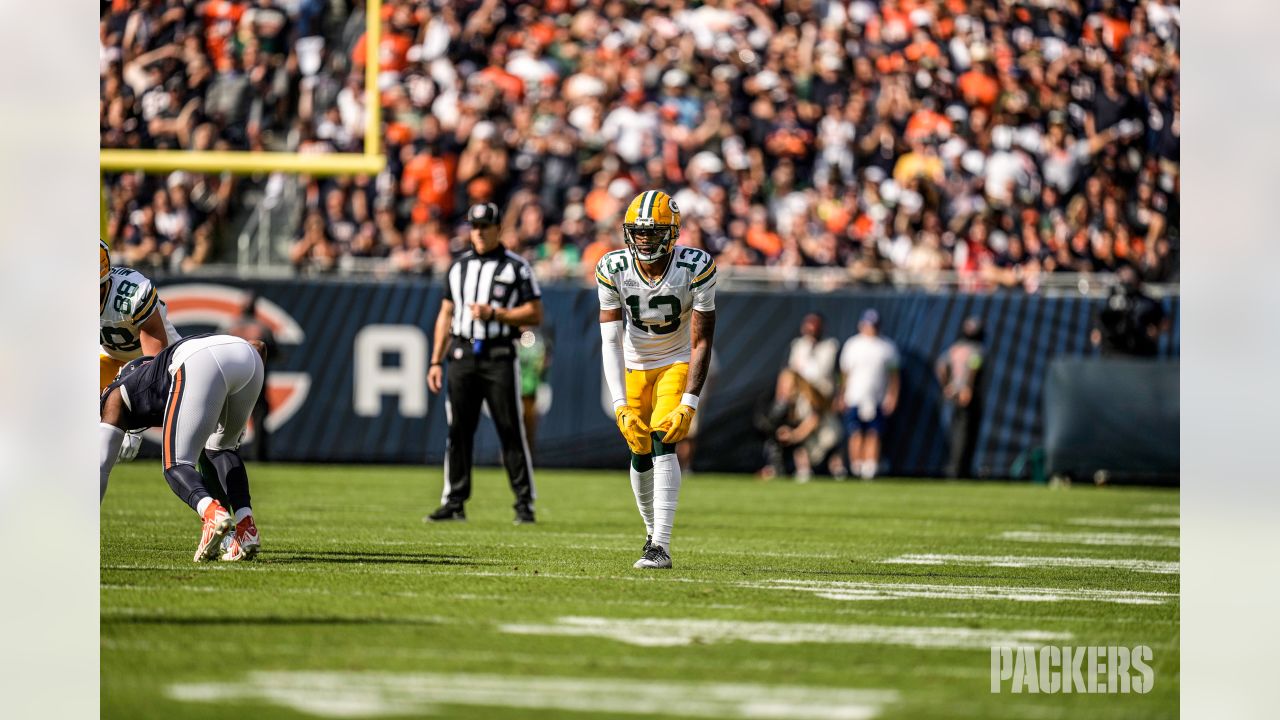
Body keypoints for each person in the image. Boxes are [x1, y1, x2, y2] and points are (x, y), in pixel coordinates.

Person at [597, 189, 717, 570]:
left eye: (653, 232)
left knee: (664, 438)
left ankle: (660, 545)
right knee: (637, 445)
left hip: (675, 360)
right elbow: (610, 341)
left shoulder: (695, 266)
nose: (645, 239)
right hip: (633, 364)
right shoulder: (613, 267)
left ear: (673, 232)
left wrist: (690, 402)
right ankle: (652, 535)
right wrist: (619, 406)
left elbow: (702, 341)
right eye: (639, 232)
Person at [99, 334, 266, 562]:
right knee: (222, 448)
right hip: (248, 357)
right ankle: (246, 527)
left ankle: (212, 514)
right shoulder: (153, 377)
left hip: (199, 361)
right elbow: (259, 346)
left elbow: (100, 466)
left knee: (175, 465)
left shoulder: (117, 392)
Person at [425, 202, 543, 524]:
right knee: (458, 430)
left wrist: (498, 314)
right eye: (474, 226)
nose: (478, 232)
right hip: (462, 353)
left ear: (497, 228)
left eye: (484, 226)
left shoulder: (516, 267)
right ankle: (454, 501)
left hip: (499, 353)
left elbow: (535, 313)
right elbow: (446, 314)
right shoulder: (457, 267)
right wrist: (436, 360)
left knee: (510, 429)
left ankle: (523, 502)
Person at [100, 238, 182, 460]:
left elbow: (154, 364)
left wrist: (134, 424)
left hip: (160, 363)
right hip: (109, 356)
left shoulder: (131, 294)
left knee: (196, 428)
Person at [838, 309, 900, 480]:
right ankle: (856, 466)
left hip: (877, 398)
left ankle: (870, 466)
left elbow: (894, 377)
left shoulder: (887, 347)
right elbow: (845, 374)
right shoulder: (852, 345)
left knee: (874, 433)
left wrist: (892, 396)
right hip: (854, 397)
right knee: (855, 432)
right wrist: (841, 395)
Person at [754, 369, 841, 483]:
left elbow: (812, 422)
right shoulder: (789, 403)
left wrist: (793, 435)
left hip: (827, 434)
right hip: (816, 436)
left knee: (803, 450)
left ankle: (806, 472)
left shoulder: (805, 397)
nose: (783, 388)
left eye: (786, 384)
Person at [221, 293, 278, 461]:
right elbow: (273, 352)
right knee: (259, 415)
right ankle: (258, 456)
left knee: (229, 419)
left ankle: (227, 454)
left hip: (232, 380)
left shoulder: (229, 327)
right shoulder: (262, 328)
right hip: (256, 379)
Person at [936, 317, 986, 478]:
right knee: (965, 433)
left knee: (955, 431)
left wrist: (947, 386)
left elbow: (941, 366)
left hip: (954, 393)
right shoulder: (977, 349)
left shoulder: (955, 349)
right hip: (967, 394)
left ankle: (954, 467)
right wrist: (967, 388)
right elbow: (973, 366)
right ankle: (958, 470)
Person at [1090, 265, 1169, 357]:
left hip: (1140, 351)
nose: (1125, 281)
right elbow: (1100, 319)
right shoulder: (1111, 300)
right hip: (1113, 351)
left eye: (1129, 278)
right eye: (1122, 277)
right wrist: (1097, 330)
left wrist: (1157, 331)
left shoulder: (1148, 303)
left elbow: (1165, 323)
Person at [787, 313, 839, 402]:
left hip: (822, 394)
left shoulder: (831, 346)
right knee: (786, 376)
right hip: (800, 394)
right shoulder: (798, 345)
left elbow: (819, 373)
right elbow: (792, 368)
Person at [516, 326, 550, 453]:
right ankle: (513, 452)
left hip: (531, 391)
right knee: (514, 425)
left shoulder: (537, 344)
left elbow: (541, 366)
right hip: (516, 390)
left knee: (529, 425)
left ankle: (528, 453)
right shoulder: (516, 343)